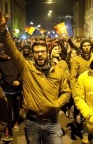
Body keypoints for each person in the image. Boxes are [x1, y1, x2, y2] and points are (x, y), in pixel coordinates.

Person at [0, 11, 71, 144]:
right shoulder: (27, 68)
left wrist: (57, 104)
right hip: (32, 124)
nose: (40, 55)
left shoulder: (58, 70)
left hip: (53, 123)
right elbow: (12, 50)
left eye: (42, 52)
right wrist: (4, 30)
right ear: (33, 54)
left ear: (47, 53)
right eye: (37, 52)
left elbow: (66, 91)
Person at [70, 38, 92, 143]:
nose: (87, 47)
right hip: (81, 91)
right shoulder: (76, 60)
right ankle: (85, 134)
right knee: (84, 114)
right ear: (81, 47)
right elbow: (73, 78)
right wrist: (75, 94)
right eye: (84, 45)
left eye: (88, 45)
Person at [0, 46, 23, 142]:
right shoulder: (0, 63)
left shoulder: (17, 61)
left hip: (17, 90)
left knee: (16, 108)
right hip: (6, 90)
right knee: (8, 111)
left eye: (2, 53)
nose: (1, 55)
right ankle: (8, 132)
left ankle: (16, 121)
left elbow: (24, 73)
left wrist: (19, 81)